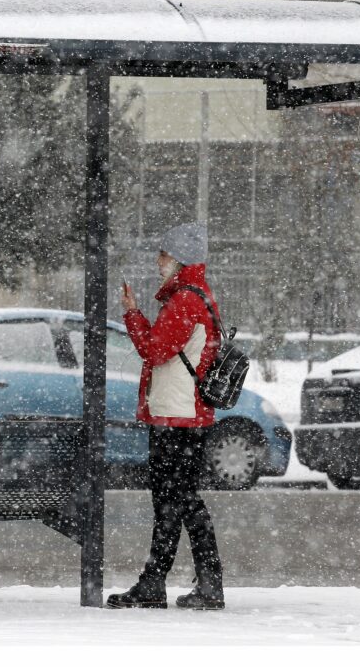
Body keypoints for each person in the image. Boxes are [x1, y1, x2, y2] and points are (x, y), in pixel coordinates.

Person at [105, 222, 225, 610]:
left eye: (163, 254)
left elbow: (154, 351)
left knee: (179, 498)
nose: (158, 261)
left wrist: (132, 314)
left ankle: (199, 585)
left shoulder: (186, 301)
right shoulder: (193, 296)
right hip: (181, 413)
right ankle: (160, 582)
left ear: (179, 260)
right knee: (173, 499)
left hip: (178, 415)